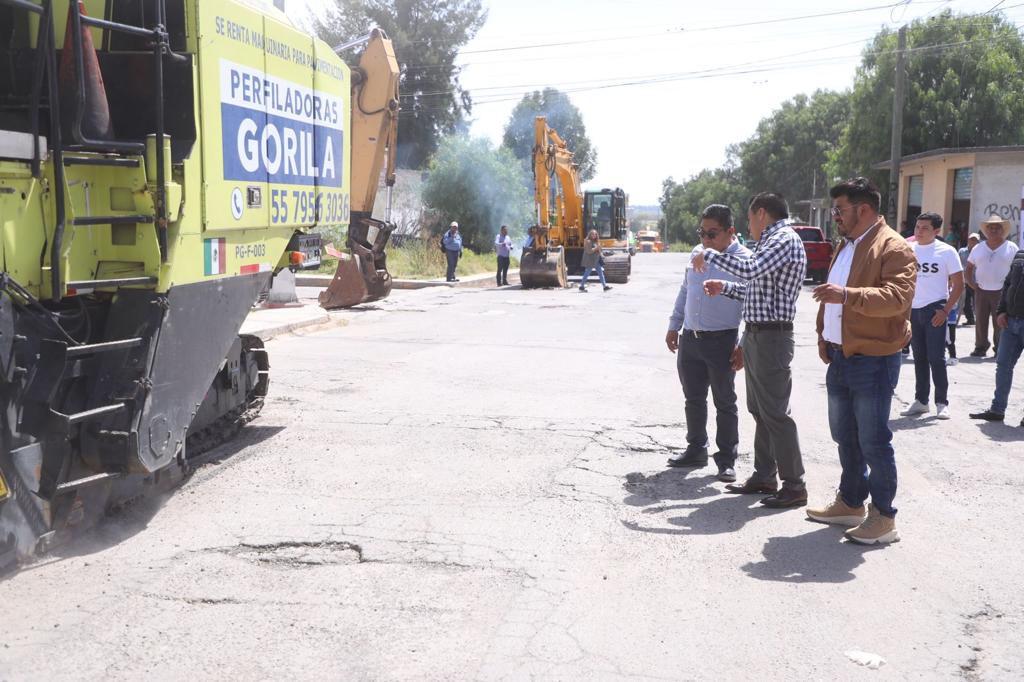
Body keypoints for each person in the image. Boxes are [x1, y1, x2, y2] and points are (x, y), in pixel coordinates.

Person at [806, 177, 916, 545]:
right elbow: (830, 298)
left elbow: (897, 298)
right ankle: (851, 503)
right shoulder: (847, 245)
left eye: (839, 210)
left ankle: (884, 518)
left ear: (863, 209)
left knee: (873, 441)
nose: (834, 216)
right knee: (845, 437)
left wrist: (848, 295)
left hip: (872, 360)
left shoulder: (893, 247)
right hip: (840, 357)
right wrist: (824, 335)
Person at [698, 192, 808, 509]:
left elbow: (749, 270)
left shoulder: (783, 239)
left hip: (773, 338)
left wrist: (711, 256)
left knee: (775, 412)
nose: (749, 225)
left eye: (749, 218)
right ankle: (765, 475)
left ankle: (794, 484)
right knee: (761, 411)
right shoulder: (772, 241)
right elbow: (757, 288)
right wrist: (725, 288)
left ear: (761, 213)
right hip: (760, 334)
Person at [665, 204, 750, 482]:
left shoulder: (744, 260)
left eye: (712, 234)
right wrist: (674, 325)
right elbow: (685, 290)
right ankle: (696, 449)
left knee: (725, 402)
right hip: (691, 338)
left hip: (722, 340)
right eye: (702, 233)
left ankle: (726, 459)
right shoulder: (695, 253)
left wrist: (743, 344)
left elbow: (753, 305)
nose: (706, 240)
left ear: (731, 232)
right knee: (693, 398)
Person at [901, 212, 963, 419]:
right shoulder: (908, 249)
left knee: (936, 358)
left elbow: (959, 285)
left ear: (936, 231)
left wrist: (946, 311)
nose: (919, 231)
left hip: (935, 309)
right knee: (919, 357)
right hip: (913, 309)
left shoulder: (947, 252)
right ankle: (921, 401)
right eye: (917, 227)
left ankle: (942, 402)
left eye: (924, 228)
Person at [970, 246, 1024, 427]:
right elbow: (1008, 284)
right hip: (1011, 321)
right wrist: (1001, 311)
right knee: (1003, 365)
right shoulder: (1020, 255)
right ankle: (997, 410)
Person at [966, 215, 1020, 357]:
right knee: (980, 320)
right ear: (986, 231)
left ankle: (999, 348)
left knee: (1000, 322)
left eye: (997, 228)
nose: (993, 230)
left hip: (1002, 291)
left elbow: (1017, 269)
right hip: (981, 290)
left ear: (1002, 231)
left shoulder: (1011, 247)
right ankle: (980, 347)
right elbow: (969, 267)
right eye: (991, 228)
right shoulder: (978, 247)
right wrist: (972, 284)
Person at [959, 232, 979, 325]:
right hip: (964, 280)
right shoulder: (962, 251)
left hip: (976, 281)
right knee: (965, 302)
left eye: (975, 240)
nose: (973, 242)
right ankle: (970, 319)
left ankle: (979, 319)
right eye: (971, 239)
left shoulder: (980, 252)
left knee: (977, 302)